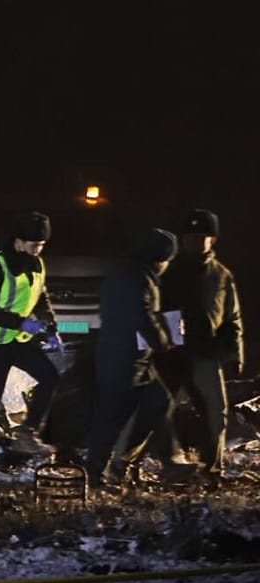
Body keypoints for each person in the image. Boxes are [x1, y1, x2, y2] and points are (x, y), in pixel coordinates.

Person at [0, 211, 60, 473]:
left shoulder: (37, 264)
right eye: (34, 245)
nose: (39, 250)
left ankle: (28, 434)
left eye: (42, 246)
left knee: (50, 377)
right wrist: (22, 322)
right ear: (18, 242)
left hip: (19, 342)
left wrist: (50, 327)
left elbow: (41, 298)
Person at [85, 227, 178, 489]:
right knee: (111, 416)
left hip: (135, 357)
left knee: (159, 401)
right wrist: (163, 340)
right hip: (123, 357)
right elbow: (142, 315)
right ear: (159, 259)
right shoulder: (138, 279)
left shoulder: (132, 273)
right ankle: (94, 475)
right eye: (167, 261)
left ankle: (158, 460)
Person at [157, 209, 244, 478]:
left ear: (212, 240)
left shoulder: (221, 276)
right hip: (170, 353)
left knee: (215, 413)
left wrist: (234, 354)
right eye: (189, 237)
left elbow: (232, 317)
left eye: (201, 237)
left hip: (205, 353)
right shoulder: (166, 270)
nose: (194, 242)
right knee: (155, 409)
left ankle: (211, 468)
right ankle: (131, 464)